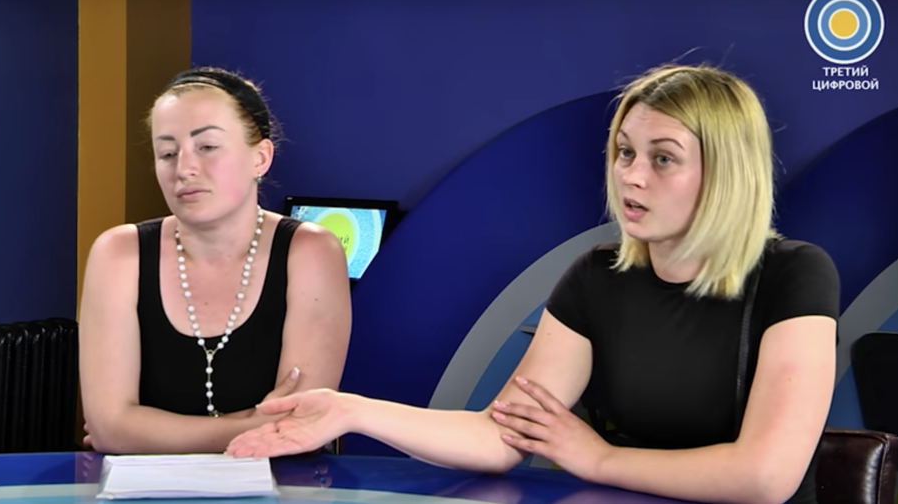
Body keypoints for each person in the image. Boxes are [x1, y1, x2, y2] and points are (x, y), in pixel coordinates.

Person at [225, 63, 839, 504]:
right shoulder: (596, 278)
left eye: (663, 157)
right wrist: (350, 411)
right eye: (624, 152)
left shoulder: (795, 273)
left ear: (726, 171)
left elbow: (765, 477)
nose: (631, 176)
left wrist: (600, 459)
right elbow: (500, 436)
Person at [78, 66, 353, 454]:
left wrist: (143, 432)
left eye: (207, 147)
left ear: (260, 158)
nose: (184, 169)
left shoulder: (311, 251)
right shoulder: (118, 254)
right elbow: (110, 430)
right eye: (167, 153)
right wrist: (254, 425)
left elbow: (300, 423)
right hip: (147, 486)